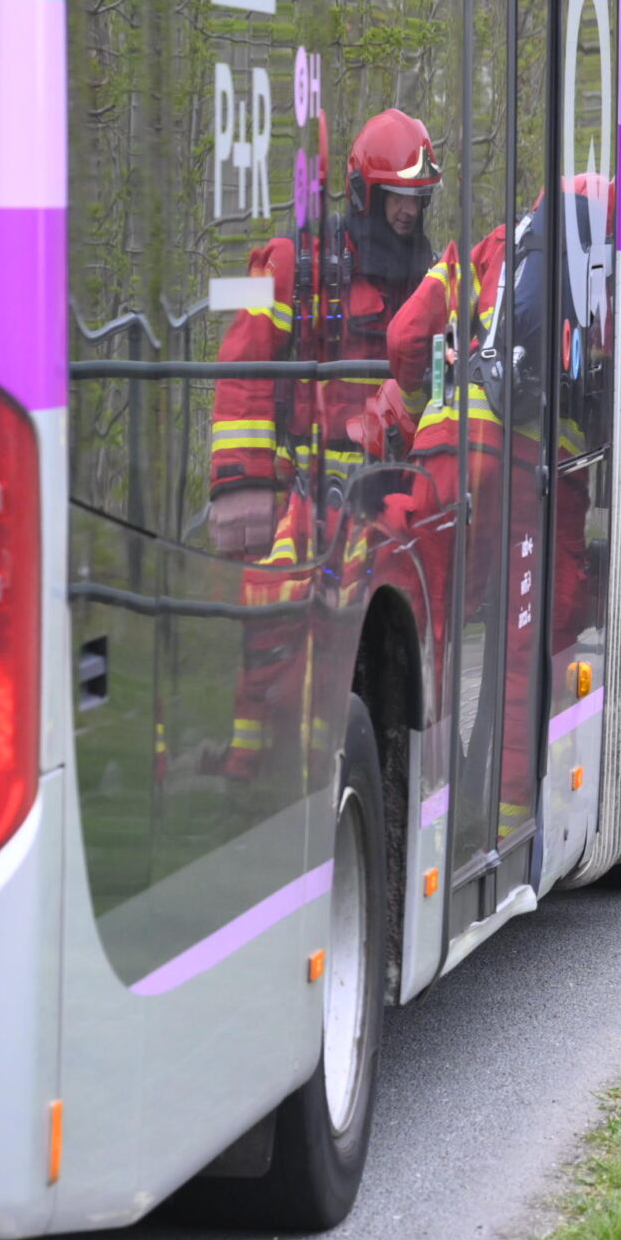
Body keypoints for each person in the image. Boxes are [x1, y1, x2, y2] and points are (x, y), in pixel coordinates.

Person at [205, 108, 441, 778]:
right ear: (368, 193)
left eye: (418, 200)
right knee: (272, 611)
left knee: (360, 633)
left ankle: (327, 768)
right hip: (297, 490)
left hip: (386, 492)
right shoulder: (292, 264)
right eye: (399, 196)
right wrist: (240, 485)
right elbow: (243, 368)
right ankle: (250, 766)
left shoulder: (429, 281)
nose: (408, 212)